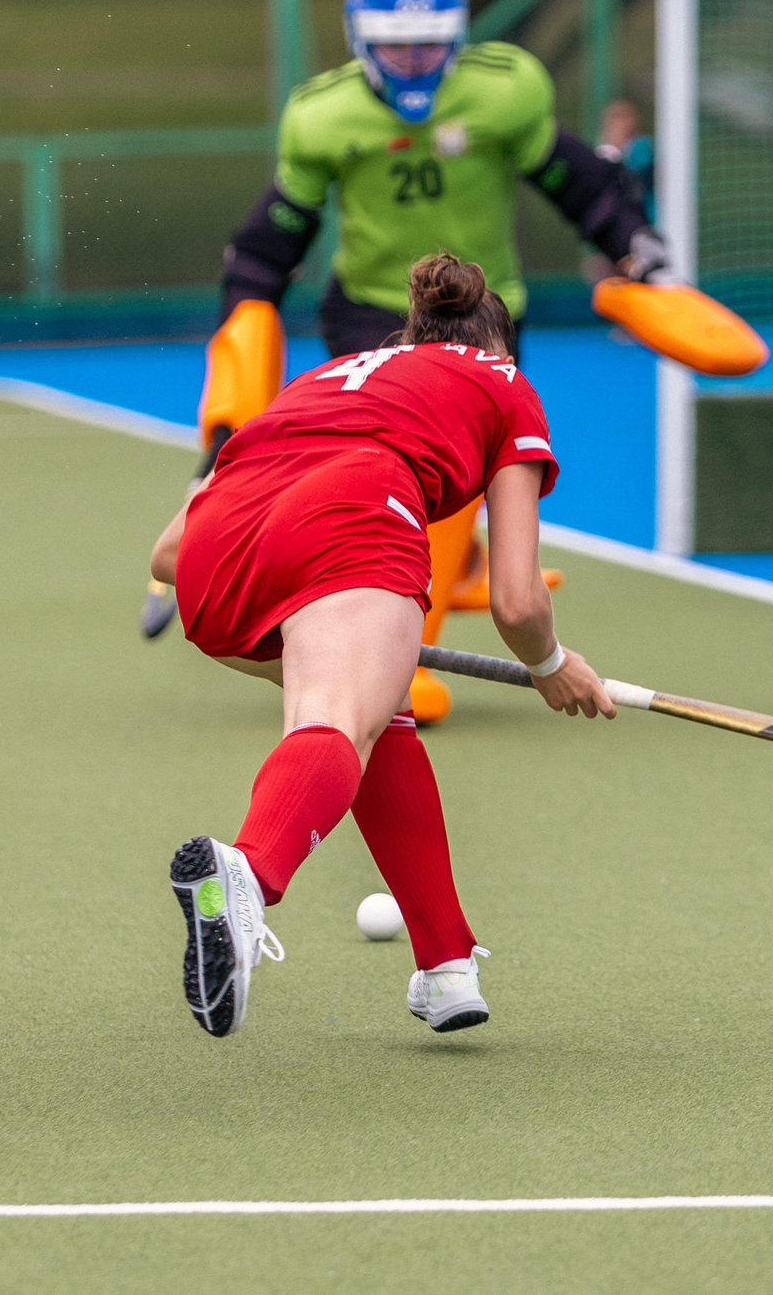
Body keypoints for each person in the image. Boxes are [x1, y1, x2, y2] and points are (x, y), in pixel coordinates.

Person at [148, 253, 611, 1038]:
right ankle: (250, 873)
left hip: (214, 561)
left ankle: (445, 964)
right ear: (497, 345)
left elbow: (167, 554)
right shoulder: (502, 381)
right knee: (336, 717)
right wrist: (551, 664)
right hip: (355, 515)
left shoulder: (329, 377)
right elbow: (517, 598)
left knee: (377, 709)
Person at [211, 0, 663, 723]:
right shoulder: (325, 114)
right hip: (370, 315)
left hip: (484, 316)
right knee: (373, 475)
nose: (413, 59)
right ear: (361, 39)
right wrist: (244, 317)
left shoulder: (503, 94)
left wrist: (635, 243)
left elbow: (576, 180)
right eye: (395, 43)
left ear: (456, 38)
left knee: (462, 474)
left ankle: (419, 605)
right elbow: (274, 237)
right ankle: (395, 619)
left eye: (427, 43)